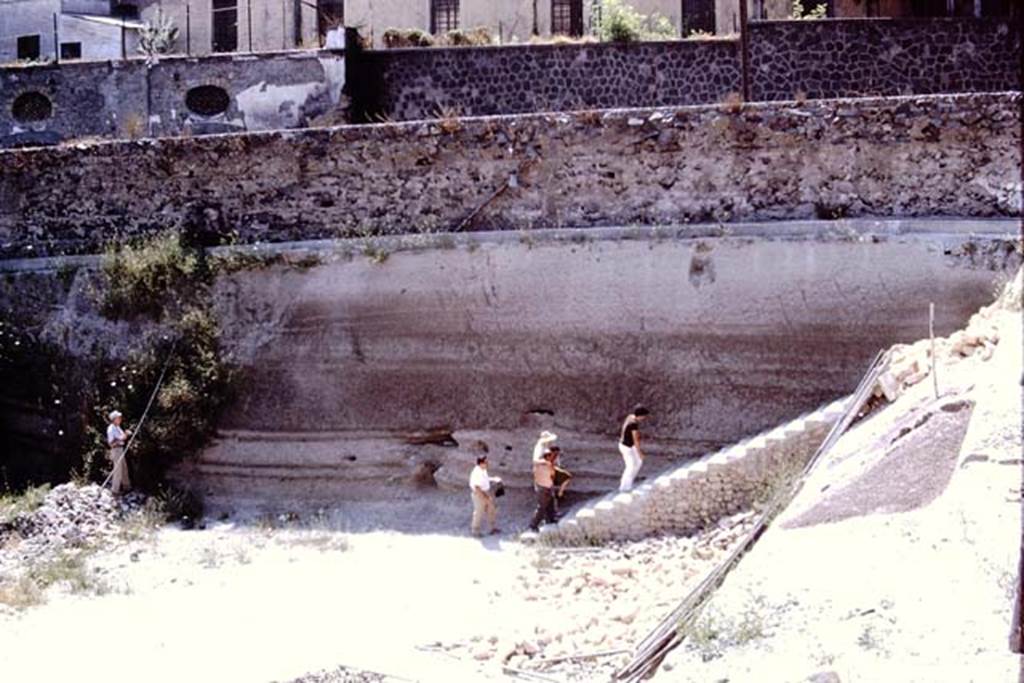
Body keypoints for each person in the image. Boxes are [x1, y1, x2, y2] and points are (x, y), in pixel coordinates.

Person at [618, 404, 650, 491]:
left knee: (638, 462)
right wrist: (640, 453)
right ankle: (624, 487)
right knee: (630, 466)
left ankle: (629, 482)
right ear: (640, 415)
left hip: (629, 445)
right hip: (626, 447)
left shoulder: (630, 417)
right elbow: (636, 440)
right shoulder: (633, 424)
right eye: (643, 416)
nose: (644, 418)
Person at [469, 455, 500, 537]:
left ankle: (492, 528)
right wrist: (485, 497)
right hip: (479, 494)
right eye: (486, 462)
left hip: (485, 492)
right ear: (481, 463)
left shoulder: (483, 470)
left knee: (491, 510)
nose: (487, 463)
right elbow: (477, 487)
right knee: (479, 512)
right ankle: (475, 531)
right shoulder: (477, 472)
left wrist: (493, 479)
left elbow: (484, 479)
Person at [529, 447, 558, 531]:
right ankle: (533, 525)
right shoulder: (549, 464)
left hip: (540, 486)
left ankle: (551, 519)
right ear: (548, 456)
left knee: (550, 503)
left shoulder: (537, 464)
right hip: (545, 487)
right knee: (542, 507)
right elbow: (552, 474)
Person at [106, 410, 132, 495]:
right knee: (118, 470)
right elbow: (111, 442)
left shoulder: (117, 427)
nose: (120, 419)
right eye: (118, 417)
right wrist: (124, 435)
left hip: (120, 449)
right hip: (116, 450)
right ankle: (115, 490)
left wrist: (125, 435)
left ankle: (127, 487)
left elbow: (122, 437)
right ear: (114, 419)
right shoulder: (111, 428)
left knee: (124, 468)